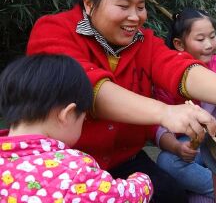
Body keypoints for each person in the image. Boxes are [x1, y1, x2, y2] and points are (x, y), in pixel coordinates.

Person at [26, 0, 216, 202]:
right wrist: (164, 112)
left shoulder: (142, 41)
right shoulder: (53, 31)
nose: (135, 17)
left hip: (125, 160)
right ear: (89, 4)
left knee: (170, 195)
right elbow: (88, 90)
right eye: (124, 6)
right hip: (66, 162)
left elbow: (179, 68)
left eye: (141, 7)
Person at [0, 54, 153, 202]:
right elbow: (126, 197)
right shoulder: (75, 170)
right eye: (83, 118)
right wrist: (142, 179)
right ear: (67, 114)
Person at [153, 8, 216, 202]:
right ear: (179, 44)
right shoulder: (167, 74)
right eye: (200, 39)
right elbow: (157, 123)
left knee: (197, 198)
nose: (209, 45)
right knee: (166, 161)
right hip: (191, 146)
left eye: (212, 37)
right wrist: (176, 147)